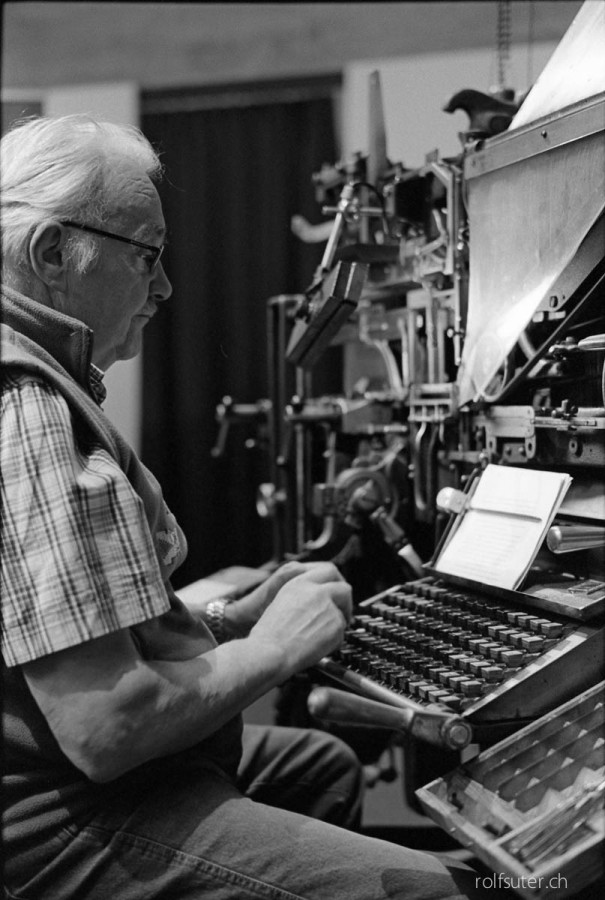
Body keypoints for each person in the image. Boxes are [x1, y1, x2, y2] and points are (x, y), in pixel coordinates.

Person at [1, 114, 482, 900]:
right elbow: (105, 727)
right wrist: (277, 650)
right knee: (433, 889)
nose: (163, 288)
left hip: (70, 774)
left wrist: (229, 624)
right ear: (53, 252)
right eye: (146, 255)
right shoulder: (26, 407)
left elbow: (80, 631)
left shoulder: (42, 381)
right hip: (54, 821)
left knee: (319, 765)